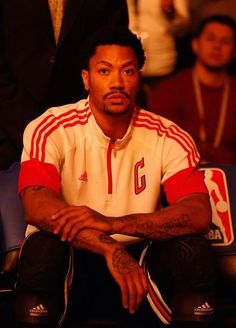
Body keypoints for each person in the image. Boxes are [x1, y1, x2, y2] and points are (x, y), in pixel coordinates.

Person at [14, 26, 215, 328]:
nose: (117, 83)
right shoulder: (52, 126)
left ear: (139, 77)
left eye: (128, 71)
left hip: (141, 266)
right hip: (73, 256)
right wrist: (109, 245)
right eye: (105, 71)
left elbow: (198, 213)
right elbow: (38, 206)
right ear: (86, 78)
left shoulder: (169, 135)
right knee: (42, 252)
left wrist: (114, 224)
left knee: (193, 252)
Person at [0, 0, 128, 291]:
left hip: (78, 125)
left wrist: (72, 121)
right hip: (8, 122)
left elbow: (112, 47)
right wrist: (30, 129)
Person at [148, 15, 236, 164]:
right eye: (210, 38)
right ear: (195, 44)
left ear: (234, 51)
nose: (217, 46)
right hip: (181, 171)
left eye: (225, 41)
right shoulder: (169, 89)